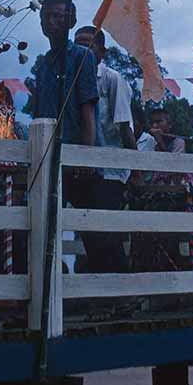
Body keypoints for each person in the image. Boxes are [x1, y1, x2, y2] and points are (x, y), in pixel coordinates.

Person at [32, 0, 103, 273]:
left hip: (77, 154)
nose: (53, 22)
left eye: (60, 17)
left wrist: (86, 157)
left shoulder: (81, 57)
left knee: (94, 232)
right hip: (48, 155)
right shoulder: (45, 63)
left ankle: (117, 297)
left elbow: (88, 109)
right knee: (44, 225)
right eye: (48, 17)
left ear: (71, 22)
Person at [74, 25, 132, 273]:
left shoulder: (112, 79)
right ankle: (101, 296)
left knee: (107, 232)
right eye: (77, 44)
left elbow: (123, 124)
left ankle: (119, 294)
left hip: (110, 167)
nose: (81, 49)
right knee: (89, 232)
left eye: (87, 44)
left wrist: (136, 167)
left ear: (101, 51)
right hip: (82, 168)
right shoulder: (71, 78)